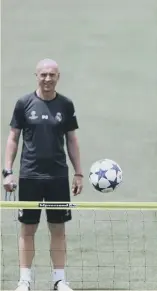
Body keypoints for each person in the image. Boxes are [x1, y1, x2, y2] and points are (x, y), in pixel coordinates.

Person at [2, 59, 83, 291]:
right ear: (36, 76)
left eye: (52, 75)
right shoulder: (24, 103)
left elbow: (72, 140)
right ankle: (25, 281)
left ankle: (59, 280)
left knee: (58, 228)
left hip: (58, 177)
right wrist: (8, 172)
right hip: (29, 177)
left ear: (58, 77)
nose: (47, 79)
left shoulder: (66, 105)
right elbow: (13, 138)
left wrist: (78, 173)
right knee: (28, 229)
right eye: (43, 75)